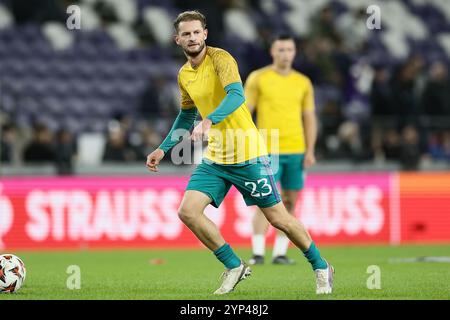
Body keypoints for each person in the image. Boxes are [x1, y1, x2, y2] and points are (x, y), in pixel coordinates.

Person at [146, 11, 334, 295]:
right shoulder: (184, 74)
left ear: (205, 34)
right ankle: (234, 265)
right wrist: (163, 149)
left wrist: (210, 119)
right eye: (186, 34)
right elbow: (186, 116)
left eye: (197, 32)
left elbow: (237, 95)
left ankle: (321, 266)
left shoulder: (221, 59)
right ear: (177, 40)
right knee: (188, 212)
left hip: (248, 154)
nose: (192, 38)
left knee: (279, 218)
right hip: (216, 158)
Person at [244, 35, 318, 265]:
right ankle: (257, 253)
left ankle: (279, 253)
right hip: (267, 149)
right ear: (272, 52)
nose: (285, 54)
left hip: (296, 148)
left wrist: (310, 150)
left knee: (289, 202)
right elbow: (245, 113)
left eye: (289, 49)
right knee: (265, 201)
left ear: (295, 52)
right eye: (281, 49)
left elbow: (309, 117)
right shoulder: (259, 78)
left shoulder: (303, 82)